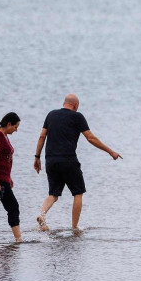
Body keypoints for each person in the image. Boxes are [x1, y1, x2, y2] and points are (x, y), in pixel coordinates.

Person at [33, 94, 122, 231]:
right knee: (78, 193)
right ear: (76, 105)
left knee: (53, 194)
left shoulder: (51, 115)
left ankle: (42, 214)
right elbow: (91, 138)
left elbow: (41, 136)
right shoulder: (77, 116)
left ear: (64, 103)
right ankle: (74, 228)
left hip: (50, 160)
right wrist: (110, 152)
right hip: (68, 160)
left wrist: (37, 157)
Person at [0, 112, 23, 243]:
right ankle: (18, 240)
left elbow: (6, 159)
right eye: (15, 127)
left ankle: (18, 239)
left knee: (12, 207)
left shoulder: (5, 136)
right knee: (13, 207)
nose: (16, 130)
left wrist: (9, 177)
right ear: (9, 124)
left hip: (4, 179)